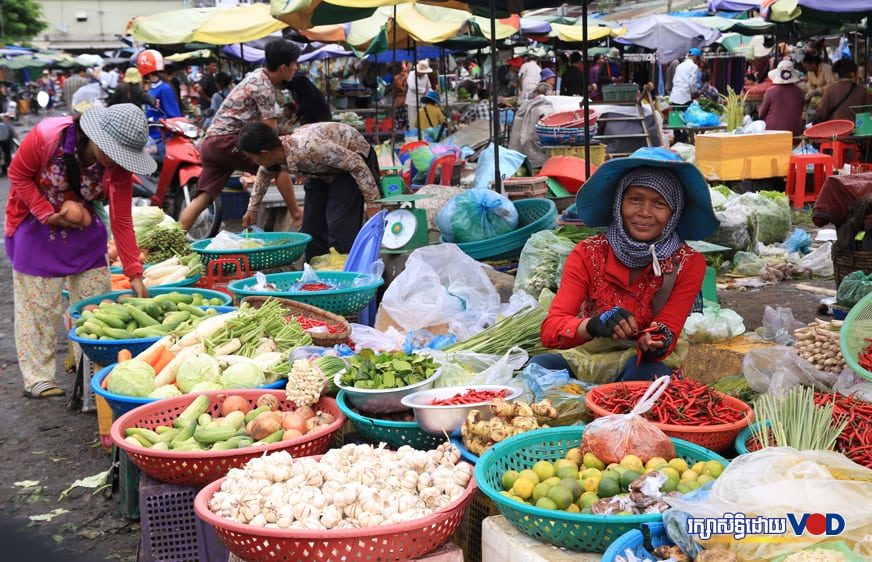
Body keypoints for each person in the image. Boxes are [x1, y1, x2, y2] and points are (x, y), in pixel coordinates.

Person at [5, 104, 155, 398]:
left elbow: (122, 219)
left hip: (84, 234)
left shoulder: (119, 166)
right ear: (96, 138)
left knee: (95, 306)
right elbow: (17, 174)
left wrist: (134, 272)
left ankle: (90, 374)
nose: (117, 161)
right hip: (36, 227)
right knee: (38, 308)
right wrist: (47, 213)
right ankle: (38, 377)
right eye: (113, 153)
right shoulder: (47, 137)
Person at [534, 147, 717, 382]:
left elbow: (668, 328)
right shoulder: (588, 254)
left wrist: (655, 341)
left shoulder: (687, 263)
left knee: (644, 377)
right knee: (540, 367)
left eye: (659, 204)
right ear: (619, 203)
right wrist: (593, 325)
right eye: (635, 199)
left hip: (642, 361)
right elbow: (551, 331)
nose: (644, 212)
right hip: (588, 355)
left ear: (674, 212)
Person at [183, 39, 301, 232]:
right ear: (283, 67)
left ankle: (176, 239)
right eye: (294, 64)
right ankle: (297, 215)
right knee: (278, 166)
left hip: (212, 143)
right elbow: (270, 136)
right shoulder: (264, 87)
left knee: (204, 197)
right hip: (226, 140)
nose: (296, 68)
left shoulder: (257, 76)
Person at [238, 121, 379, 261]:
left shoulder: (309, 148)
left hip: (352, 163)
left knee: (339, 224)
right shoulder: (276, 156)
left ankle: (346, 270)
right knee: (312, 227)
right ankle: (316, 271)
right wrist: (252, 209)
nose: (252, 162)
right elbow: (264, 174)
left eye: (251, 157)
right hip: (320, 171)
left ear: (265, 153)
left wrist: (373, 204)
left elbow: (357, 165)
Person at [816, 58, 872, 124]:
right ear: (853, 74)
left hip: (835, 131)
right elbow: (869, 111)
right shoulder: (863, 90)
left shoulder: (830, 89)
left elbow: (821, 114)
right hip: (856, 130)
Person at [758, 60, 805, 137]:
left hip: (772, 132)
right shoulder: (800, 92)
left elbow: (761, 114)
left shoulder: (771, 91)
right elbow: (800, 111)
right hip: (794, 132)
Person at [406, 60, 433, 130]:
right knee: (413, 122)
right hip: (412, 102)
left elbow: (428, 87)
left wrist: (430, 94)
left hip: (422, 102)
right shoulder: (412, 74)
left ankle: (422, 137)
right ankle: (413, 136)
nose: (424, 73)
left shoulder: (426, 76)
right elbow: (412, 87)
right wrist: (423, 90)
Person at [393, 62, 410, 131]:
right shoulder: (408, 77)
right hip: (406, 101)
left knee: (399, 122)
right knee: (407, 121)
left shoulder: (396, 78)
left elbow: (395, 91)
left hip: (398, 101)